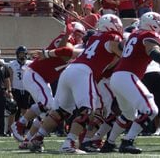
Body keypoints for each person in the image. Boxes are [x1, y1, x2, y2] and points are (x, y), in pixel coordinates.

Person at [27, 14, 123, 154]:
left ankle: (37, 138)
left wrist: (48, 54)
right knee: (88, 110)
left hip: (70, 71)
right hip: (84, 73)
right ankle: (69, 143)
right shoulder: (113, 38)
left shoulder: (94, 39)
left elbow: (74, 52)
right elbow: (125, 55)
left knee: (61, 111)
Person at [105, 12, 160, 154]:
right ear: (151, 23)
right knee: (151, 110)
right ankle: (127, 141)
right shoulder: (149, 36)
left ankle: (108, 143)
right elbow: (155, 54)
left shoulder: (134, 34)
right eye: (159, 23)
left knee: (128, 114)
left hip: (118, 76)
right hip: (128, 76)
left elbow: (122, 46)